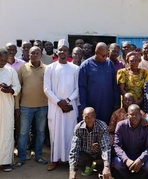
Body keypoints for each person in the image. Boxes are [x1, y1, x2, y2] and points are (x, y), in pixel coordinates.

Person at [44, 39, 79, 171]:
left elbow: (78, 89)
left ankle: (71, 161)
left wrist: (67, 101)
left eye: (65, 49)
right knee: (54, 135)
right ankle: (54, 160)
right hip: (55, 107)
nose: (62, 51)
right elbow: (46, 88)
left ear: (68, 51)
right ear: (57, 51)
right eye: (60, 49)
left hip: (70, 107)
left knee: (70, 134)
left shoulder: (75, 68)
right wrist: (59, 102)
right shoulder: (50, 68)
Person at [15, 46, 48, 167]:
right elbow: (18, 89)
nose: (34, 55)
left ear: (41, 54)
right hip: (25, 106)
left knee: (40, 132)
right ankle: (21, 157)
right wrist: (17, 106)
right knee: (23, 132)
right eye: (32, 53)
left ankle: (38, 155)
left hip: (43, 106)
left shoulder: (46, 68)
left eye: (37, 53)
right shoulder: (22, 68)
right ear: (28, 55)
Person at [79, 42, 119, 125]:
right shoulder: (86, 66)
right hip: (92, 104)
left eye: (106, 55)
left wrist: (116, 102)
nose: (105, 58)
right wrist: (84, 106)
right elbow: (82, 87)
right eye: (103, 55)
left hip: (107, 104)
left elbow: (114, 85)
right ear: (96, 52)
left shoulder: (109, 64)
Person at [69, 107, 112, 179]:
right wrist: (72, 170)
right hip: (86, 152)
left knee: (111, 151)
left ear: (95, 117)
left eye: (92, 117)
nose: (89, 120)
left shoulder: (102, 126)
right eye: (86, 117)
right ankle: (89, 164)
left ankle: (106, 170)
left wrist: (107, 166)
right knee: (77, 156)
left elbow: (105, 147)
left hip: (99, 152)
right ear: (82, 117)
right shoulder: (78, 128)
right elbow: (75, 148)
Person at [113, 104, 148, 179]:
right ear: (127, 115)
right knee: (117, 162)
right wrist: (126, 160)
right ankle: (126, 176)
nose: (134, 117)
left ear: (141, 115)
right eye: (132, 114)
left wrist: (140, 159)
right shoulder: (121, 126)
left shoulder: (147, 126)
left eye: (137, 114)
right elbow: (116, 145)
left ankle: (140, 177)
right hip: (126, 155)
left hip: (140, 155)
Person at [0, 48, 21, 172]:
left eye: (4, 60)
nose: (2, 62)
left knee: (6, 133)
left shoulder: (10, 71)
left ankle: (5, 161)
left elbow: (17, 86)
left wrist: (10, 90)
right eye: (0, 60)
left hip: (7, 107)